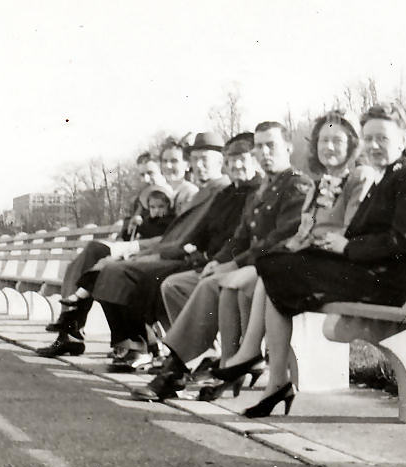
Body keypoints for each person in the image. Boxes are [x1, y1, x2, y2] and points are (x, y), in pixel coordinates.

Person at [215, 102, 406, 418]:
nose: (373, 145)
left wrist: (346, 247)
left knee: (276, 269)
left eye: (382, 139)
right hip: (363, 272)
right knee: (273, 266)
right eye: (369, 138)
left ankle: (257, 360)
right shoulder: (385, 179)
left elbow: (404, 242)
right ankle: (274, 378)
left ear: (402, 141)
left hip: (383, 282)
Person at [131, 121, 312, 401]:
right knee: (177, 285)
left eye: (270, 145)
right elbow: (240, 237)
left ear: (288, 147)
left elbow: (279, 238)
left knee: (209, 286)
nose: (264, 152)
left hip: (272, 268)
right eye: (259, 146)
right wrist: (218, 261)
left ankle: (176, 369)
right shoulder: (263, 189)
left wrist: (234, 264)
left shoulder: (296, 184)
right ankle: (206, 359)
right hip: (248, 266)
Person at [73, 132, 264, 369]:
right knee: (113, 269)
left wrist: (211, 258)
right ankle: (161, 351)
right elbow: (196, 234)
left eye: (205, 159)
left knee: (126, 274)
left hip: (214, 262)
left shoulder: (224, 190)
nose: (199, 165)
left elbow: (234, 237)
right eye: (195, 159)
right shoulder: (223, 193)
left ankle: (160, 351)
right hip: (197, 258)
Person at [35, 132, 231, 357]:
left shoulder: (194, 191)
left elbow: (179, 237)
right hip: (159, 250)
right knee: (96, 253)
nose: (197, 165)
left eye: (176, 161)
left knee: (110, 269)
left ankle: (132, 344)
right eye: (165, 161)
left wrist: (132, 249)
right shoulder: (162, 191)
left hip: (176, 257)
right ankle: (71, 330)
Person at [159, 137, 199, 210]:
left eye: (174, 161)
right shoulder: (158, 190)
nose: (168, 166)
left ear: (188, 165)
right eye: (164, 161)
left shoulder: (191, 192)